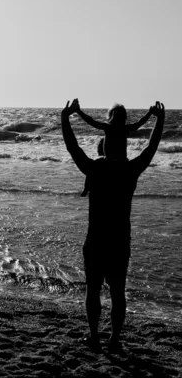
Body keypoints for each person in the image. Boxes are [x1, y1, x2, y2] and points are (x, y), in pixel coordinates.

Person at [61, 99, 165, 350]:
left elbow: (72, 146)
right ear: (125, 141)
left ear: (107, 137)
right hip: (119, 239)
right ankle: (114, 339)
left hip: (97, 238)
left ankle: (94, 335)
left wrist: (66, 117)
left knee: (93, 288)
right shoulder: (131, 170)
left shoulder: (94, 169)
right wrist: (159, 119)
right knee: (118, 291)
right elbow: (152, 145)